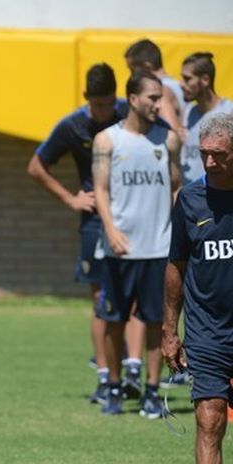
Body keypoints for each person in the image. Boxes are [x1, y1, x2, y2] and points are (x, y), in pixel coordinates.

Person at [27, 63, 132, 404]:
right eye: (96, 105)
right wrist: (70, 198)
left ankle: (130, 372)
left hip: (132, 217)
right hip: (94, 223)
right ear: (86, 99)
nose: (102, 111)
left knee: (133, 299)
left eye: (107, 104)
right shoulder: (73, 125)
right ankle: (104, 377)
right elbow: (35, 166)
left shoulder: (130, 115)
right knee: (101, 299)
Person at [92, 71, 181, 417]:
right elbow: (100, 189)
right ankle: (113, 387)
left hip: (158, 248)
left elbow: (176, 186)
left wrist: (175, 229)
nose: (159, 104)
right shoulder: (107, 141)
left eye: (160, 98)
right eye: (152, 98)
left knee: (157, 321)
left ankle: (153, 390)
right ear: (132, 99)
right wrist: (111, 230)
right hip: (120, 247)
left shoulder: (167, 140)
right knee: (113, 320)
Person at [163, 112, 233, 464]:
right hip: (207, 329)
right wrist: (170, 329)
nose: (209, 163)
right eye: (204, 155)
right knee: (209, 418)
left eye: (219, 156)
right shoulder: (190, 201)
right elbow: (176, 266)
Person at [179, 52, 233, 187]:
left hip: (218, 197)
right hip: (193, 198)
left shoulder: (229, 111)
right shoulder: (189, 111)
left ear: (205, 80)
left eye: (187, 79)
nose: (181, 84)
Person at [125, 38, 184, 132]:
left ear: (147, 67)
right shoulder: (178, 85)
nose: (132, 76)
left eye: (133, 70)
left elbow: (172, 129)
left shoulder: (160, 90)